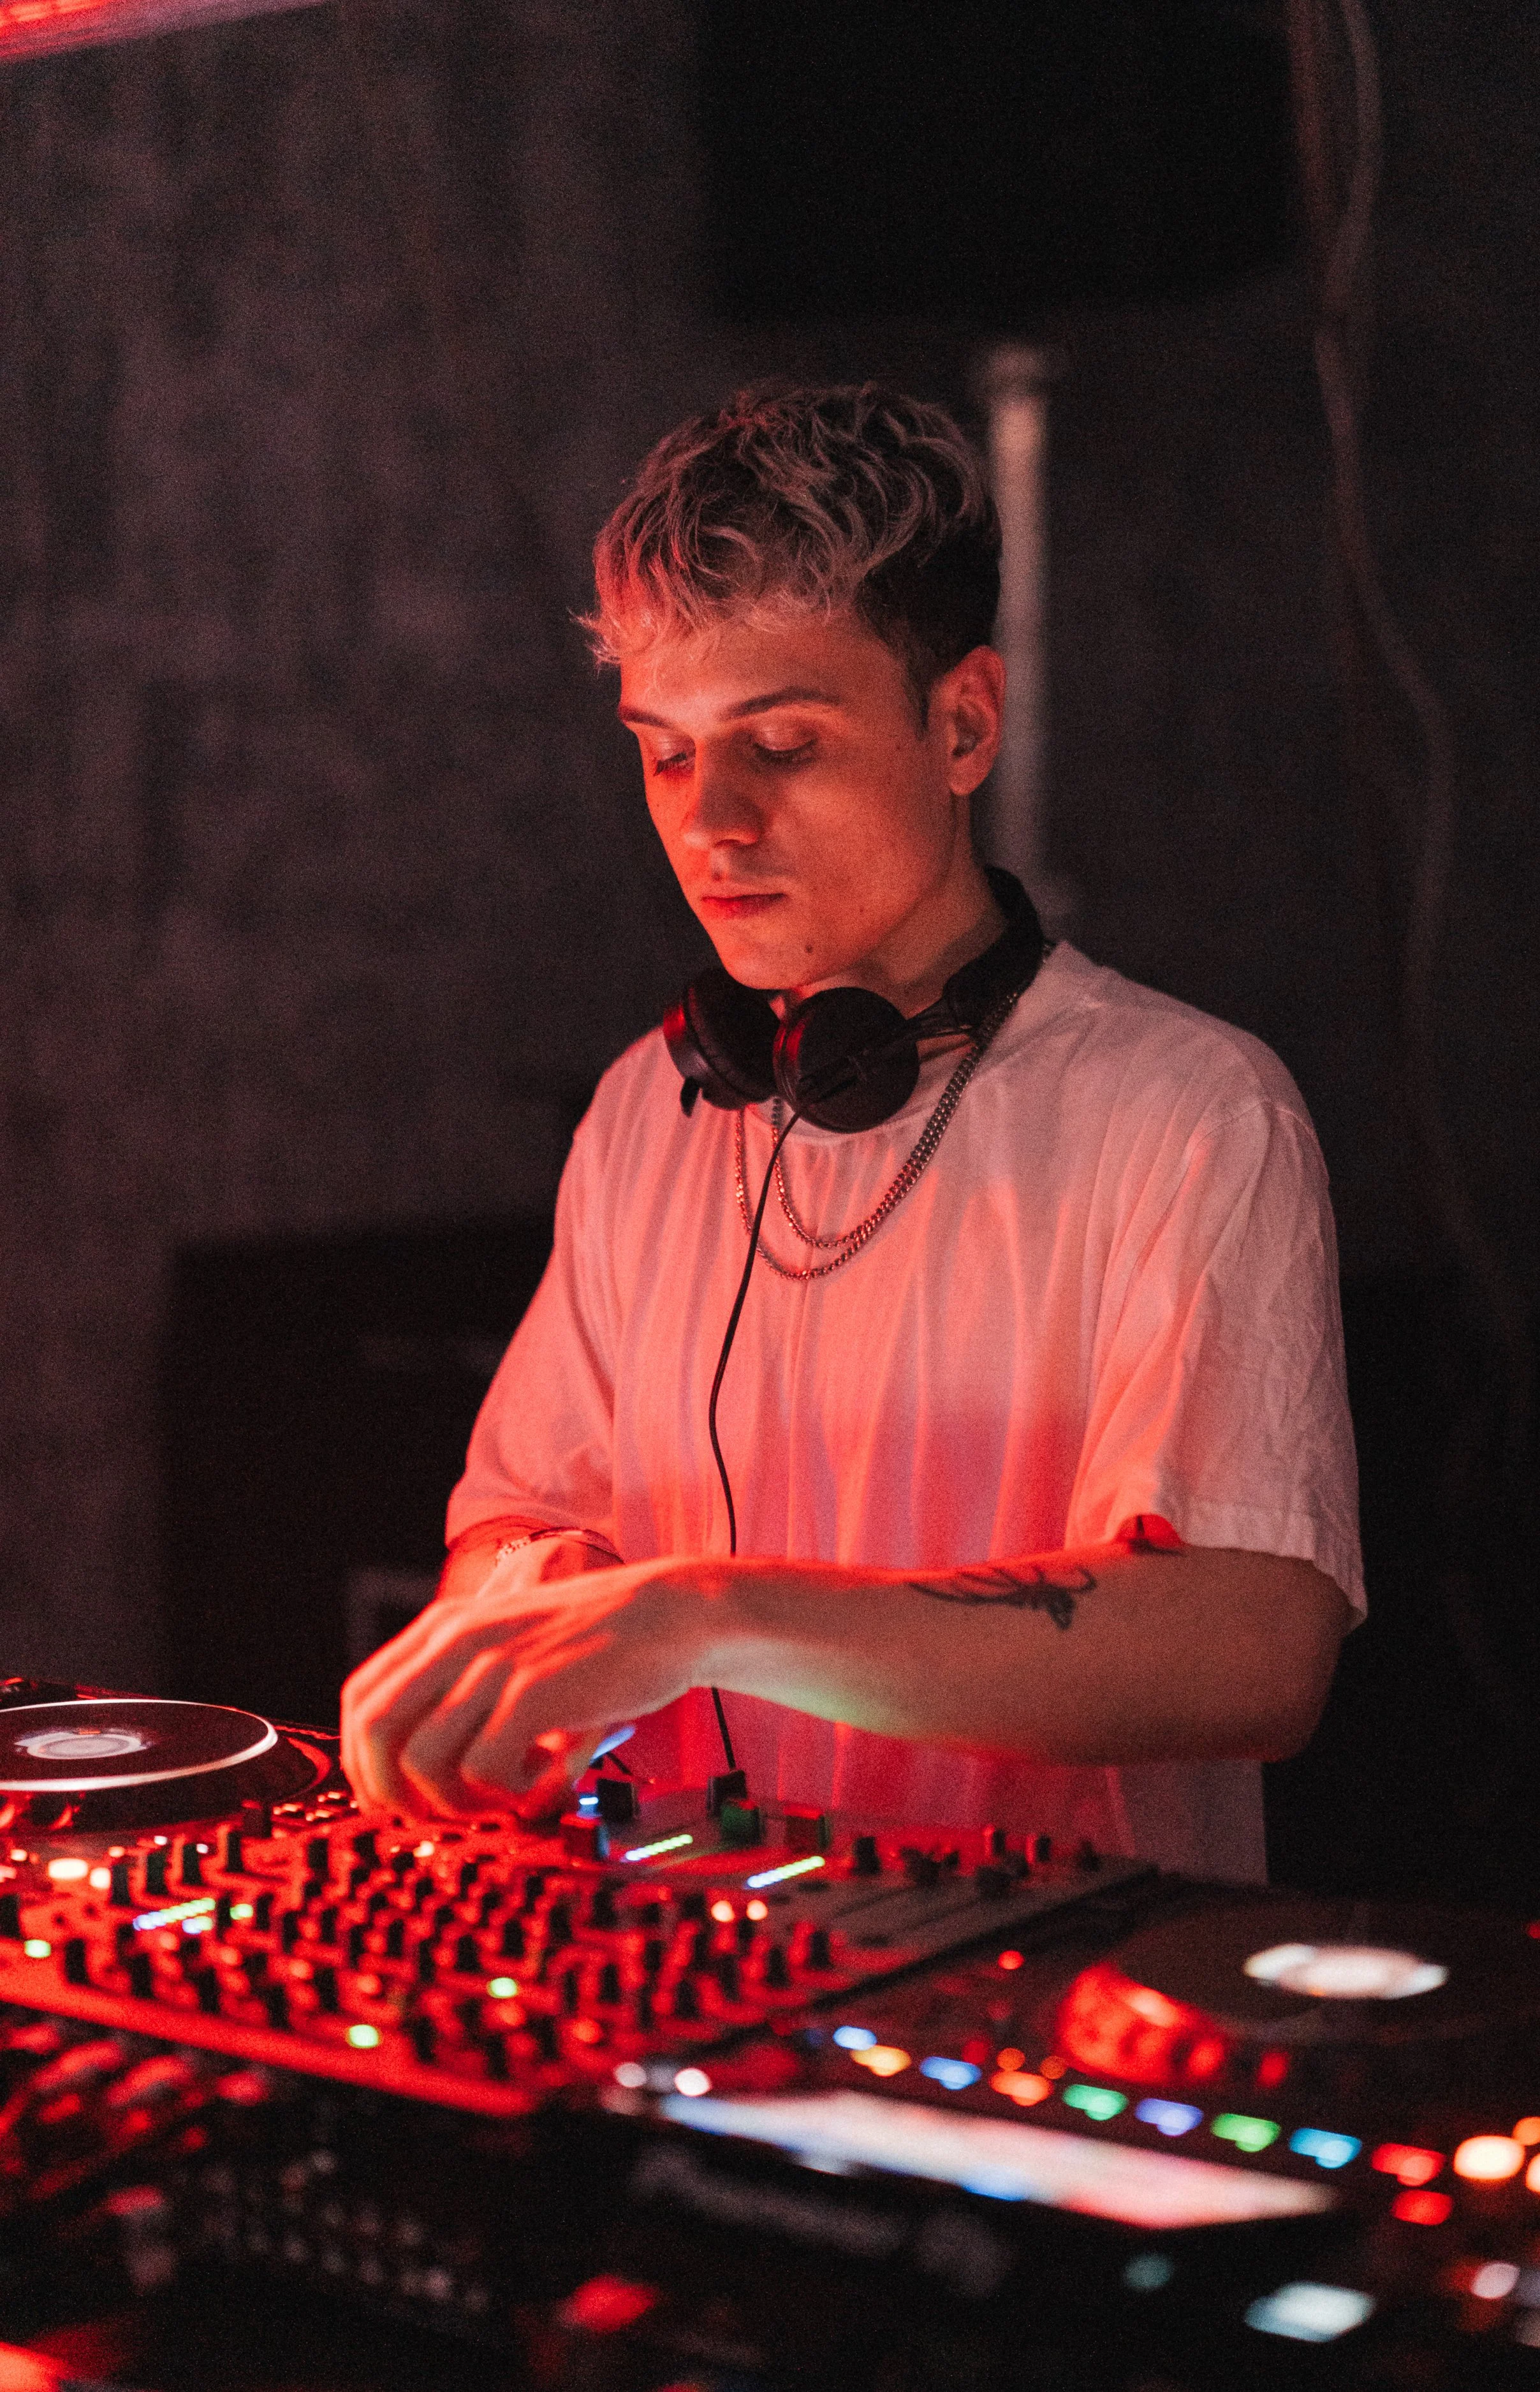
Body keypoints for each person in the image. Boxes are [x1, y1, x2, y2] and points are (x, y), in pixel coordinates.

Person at [341, 386, 1361, 1880]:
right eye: (667, 751)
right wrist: (529, 1604)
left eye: (784, 745)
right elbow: (528, 1513)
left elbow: (1250, 1645)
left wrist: (705, 1616)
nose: (712, 821)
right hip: (687, 1982)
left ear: (960, 723)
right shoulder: (656, 1102)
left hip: (1052, 2017)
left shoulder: (1190, 1113)